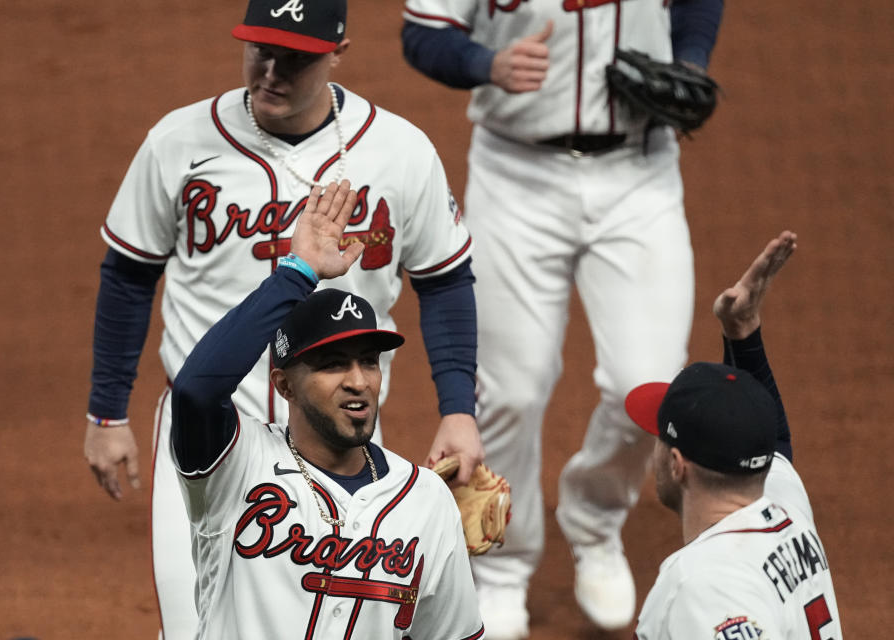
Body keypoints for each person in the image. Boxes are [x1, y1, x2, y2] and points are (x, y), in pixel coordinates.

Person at [83, 1, 483, 637]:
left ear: (338, 52)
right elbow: (129, 274)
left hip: (337, 436)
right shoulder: (179, 142)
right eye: (259, 50)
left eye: (293, 58)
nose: (270, 71)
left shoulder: (400, 151)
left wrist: (459, 408)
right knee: (197, 627)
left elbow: (444, 280)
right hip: (212, 436)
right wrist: (107, 412)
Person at [399, 0, 724, 636]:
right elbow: (423, 33)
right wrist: (484, 62)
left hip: (641, 174)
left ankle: (595, 520)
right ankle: (503, 566)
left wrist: (691, 60)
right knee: (511, 389)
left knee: (649, 389)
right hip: (515, 173)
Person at [170, 179, 485, 639]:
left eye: (368, 362)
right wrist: (296, 273)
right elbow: (196, 390)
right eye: (332, 365)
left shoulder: (426, 500)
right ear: (284, 386)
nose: (358, 381)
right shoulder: (236, 465)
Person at [625, 231, 844, 639]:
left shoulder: (703, 586)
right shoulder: (782, 508)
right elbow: (772, 442)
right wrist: (743, 333)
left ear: (678, 465)